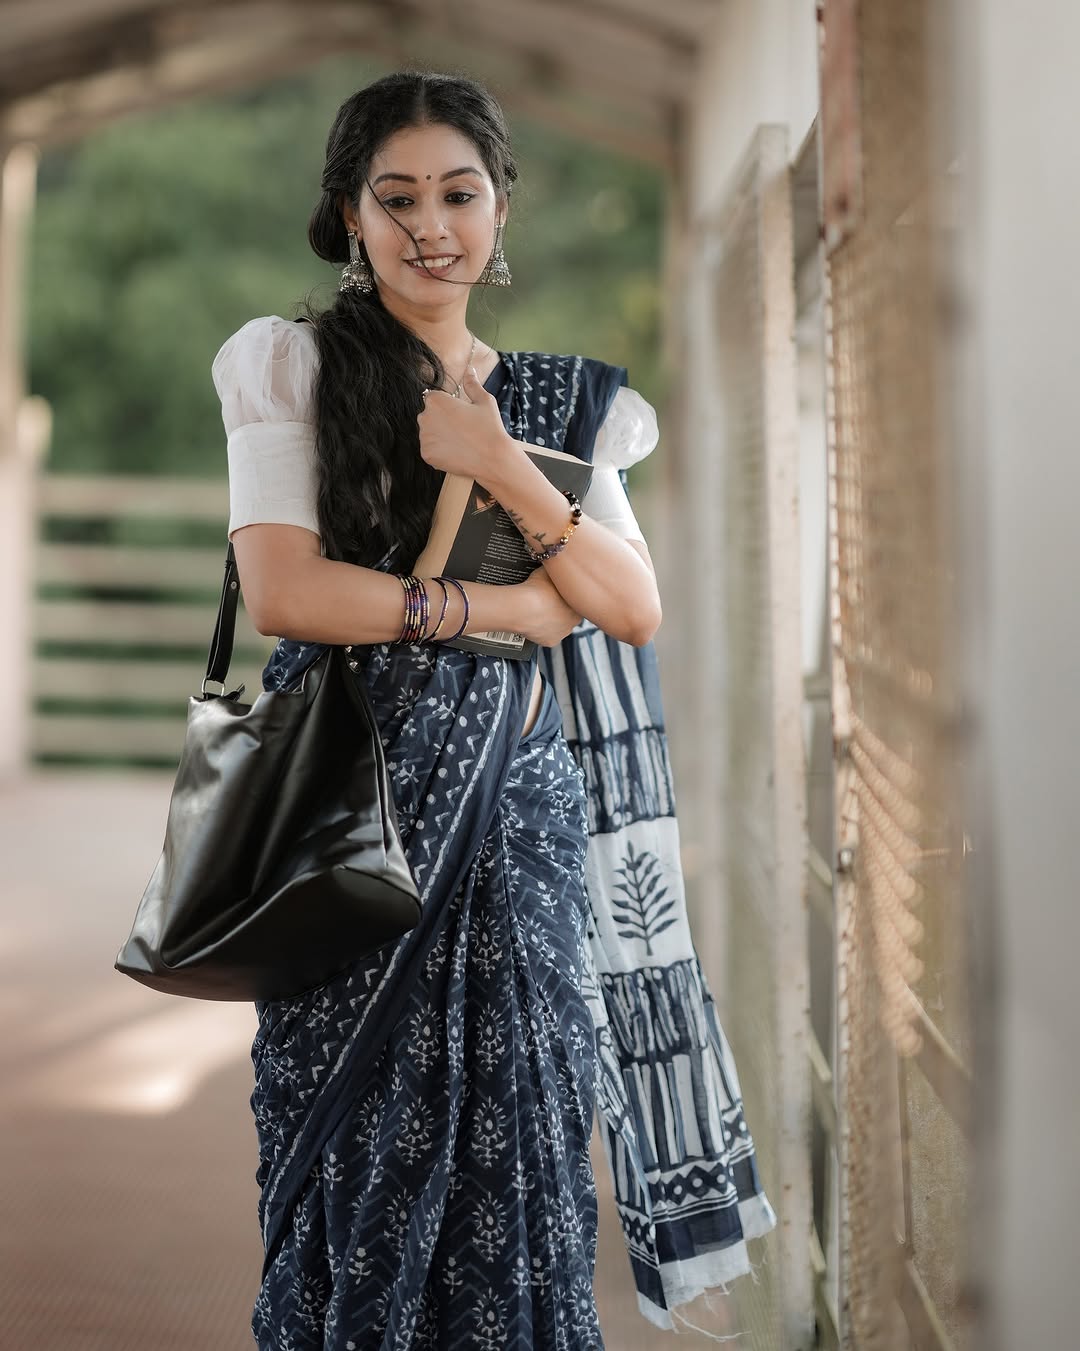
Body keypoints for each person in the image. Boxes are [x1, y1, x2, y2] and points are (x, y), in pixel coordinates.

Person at [211, 70, 775, 1350]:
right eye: (395, 197)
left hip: (518, 844)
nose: (430, 226)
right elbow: (284, 588)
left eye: (458, 194)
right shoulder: (289, 365)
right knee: (355, 1156)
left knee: (525, 1149)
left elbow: (631, 606)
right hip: (342, 832)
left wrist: (501, 463)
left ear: (500, 208)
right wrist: (496, 614)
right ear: (348, 215)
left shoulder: (566, 408)